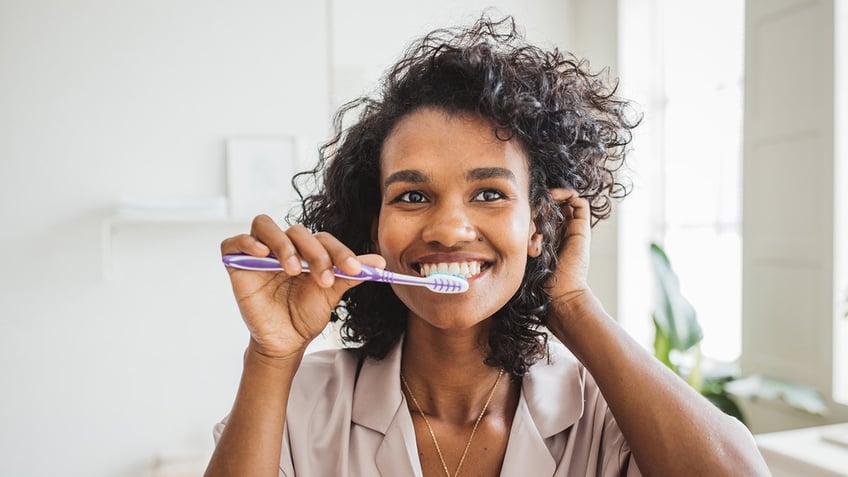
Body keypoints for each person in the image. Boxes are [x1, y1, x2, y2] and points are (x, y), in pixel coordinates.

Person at [205, 16, 770, 477]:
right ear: (372, 228)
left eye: (489, 193)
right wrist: (272, 356)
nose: (449, 229)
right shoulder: (299, 401)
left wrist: (571, 305)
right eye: (412, 196)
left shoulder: (605, 412)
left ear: (538, 226)